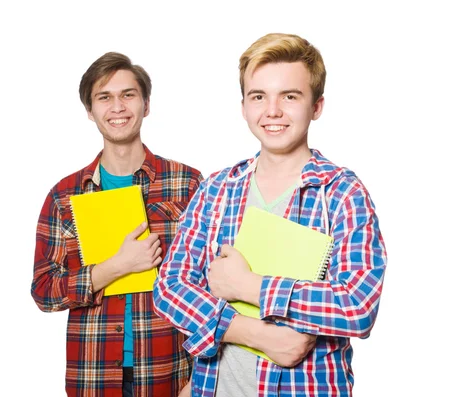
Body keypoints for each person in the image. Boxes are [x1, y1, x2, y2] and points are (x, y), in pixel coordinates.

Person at [153, 33, 387, 396]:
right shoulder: (217, 189)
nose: (272, 111)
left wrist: (251, 286)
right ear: (244, 105)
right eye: (258, 96)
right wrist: (254, 333)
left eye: (289, 96)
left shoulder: (342, 194)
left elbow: (357, 306)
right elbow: (170, 288)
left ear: (317, 106)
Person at [32, 51, 202, 396]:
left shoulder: (187, 184)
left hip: (169, 373)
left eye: (128, 95)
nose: (118, 107)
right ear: (90, 111)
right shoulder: (64, 196)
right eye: (104, 97)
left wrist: (200, 376)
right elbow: (43, 291)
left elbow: (210, 283)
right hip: (92, 376)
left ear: (146, 104)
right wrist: (113, 268)